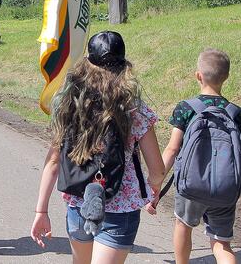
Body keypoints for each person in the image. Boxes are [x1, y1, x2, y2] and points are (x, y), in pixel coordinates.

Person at [30, 31, 165, 263]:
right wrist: (154, 188)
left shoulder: (69, 104)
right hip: (121, 208)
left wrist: (41, 211)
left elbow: (53, 161)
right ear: (124, 66)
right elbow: (158, 170)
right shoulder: (135, 109)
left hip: (79, 202)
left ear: (87, 63)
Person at [156, 49, 237, 264]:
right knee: (222, 243)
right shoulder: (235, 113)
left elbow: (172, 149)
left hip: (191, 186)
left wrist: (156, 183)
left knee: (183, 226)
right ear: (227, 77)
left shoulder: (186, 108)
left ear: (198, 75)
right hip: (225, 187)